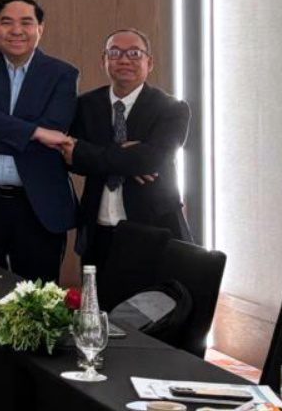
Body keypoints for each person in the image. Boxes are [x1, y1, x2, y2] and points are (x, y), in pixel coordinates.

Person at [0, 0, 79, 284]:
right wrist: (35, 131)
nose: (16, 30)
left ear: (40, 28)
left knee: (37, 297)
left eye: (26, 22)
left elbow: (54, 130)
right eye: (7, 22)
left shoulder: (63, 74)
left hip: (38, 205)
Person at [61, 28, 193, 265]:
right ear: (104, 60)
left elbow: (155, 159)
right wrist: (130, 159)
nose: (124, 60)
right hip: (97, 229)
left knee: (149, 290)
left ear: (149, 63)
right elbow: (72, 159)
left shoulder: (172, 109)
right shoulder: (85, 105)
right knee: (96, 290)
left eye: (134, 53)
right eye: (115, 53)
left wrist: (91, 153)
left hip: (152, 228)